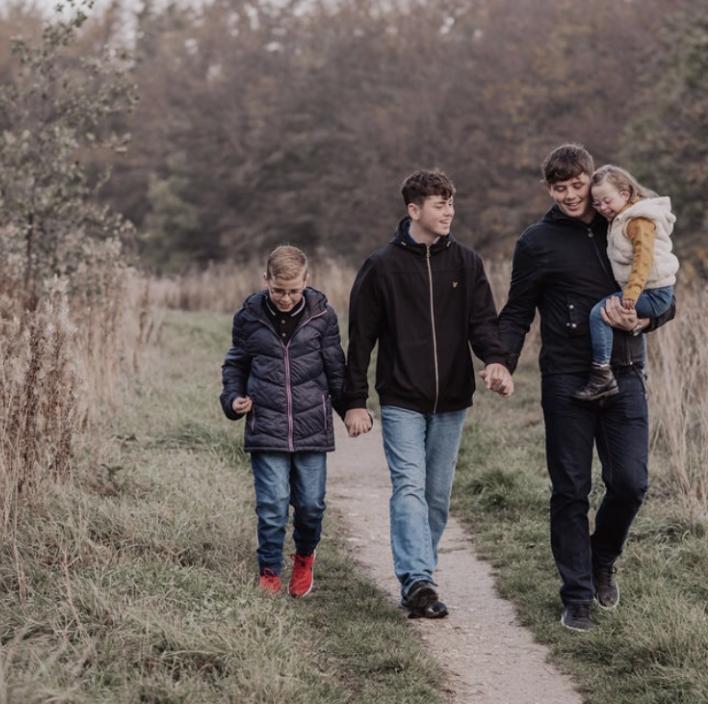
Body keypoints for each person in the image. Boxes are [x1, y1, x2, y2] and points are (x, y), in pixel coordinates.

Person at [497, 144, 676, 632]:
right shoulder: (536, 242)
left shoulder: (620, 223)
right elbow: (517, 311)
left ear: (593, 181)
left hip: (626, 373)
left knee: (631, 482)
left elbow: (666, 293)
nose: (573, 196)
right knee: (571, 489)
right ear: (549, 189)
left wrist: (645, 317)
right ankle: (576, 595)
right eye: (561, 188)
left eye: (579, 185)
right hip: (566, 378)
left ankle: (602, 560)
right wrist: (501, 360)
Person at [343, 169, 513, 620]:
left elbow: (483, 323)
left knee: (437, 495)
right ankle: (417, 579)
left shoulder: (467, 263)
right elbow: (360, 339)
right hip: (401, 397)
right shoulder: (382, 266)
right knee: (409, 488)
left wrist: (495, 361)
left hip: (453, 399)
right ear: (413, 210)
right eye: (440, 205)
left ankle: (421, 572)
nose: (449, 212)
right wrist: (354, 400)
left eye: (451, 204)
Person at [220, 245, 345, 597]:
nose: (286, 299)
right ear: (266, 281)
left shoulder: (323, 317)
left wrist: (351, 408)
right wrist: (233, 399)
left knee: (310, 504)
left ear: (307, 281)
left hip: (311, 426)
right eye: (278, 291)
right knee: (273, 504)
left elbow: (335, 367)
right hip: (267, 424)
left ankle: (304, 556)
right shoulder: (248, 317)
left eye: (294, 291)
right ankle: (270, 571)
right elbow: (236, 364)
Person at [573, 164, 678, 401]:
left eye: (606, 201)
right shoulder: (621, 219)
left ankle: (602, 374)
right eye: (597, 203)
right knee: (607, 315)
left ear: (625, 193)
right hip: (651, 291)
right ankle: (620, 373)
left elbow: (644, 259)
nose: (602, 208)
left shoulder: (637, 221)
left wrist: (631, 294)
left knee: (599, 314)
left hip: (654, 293)